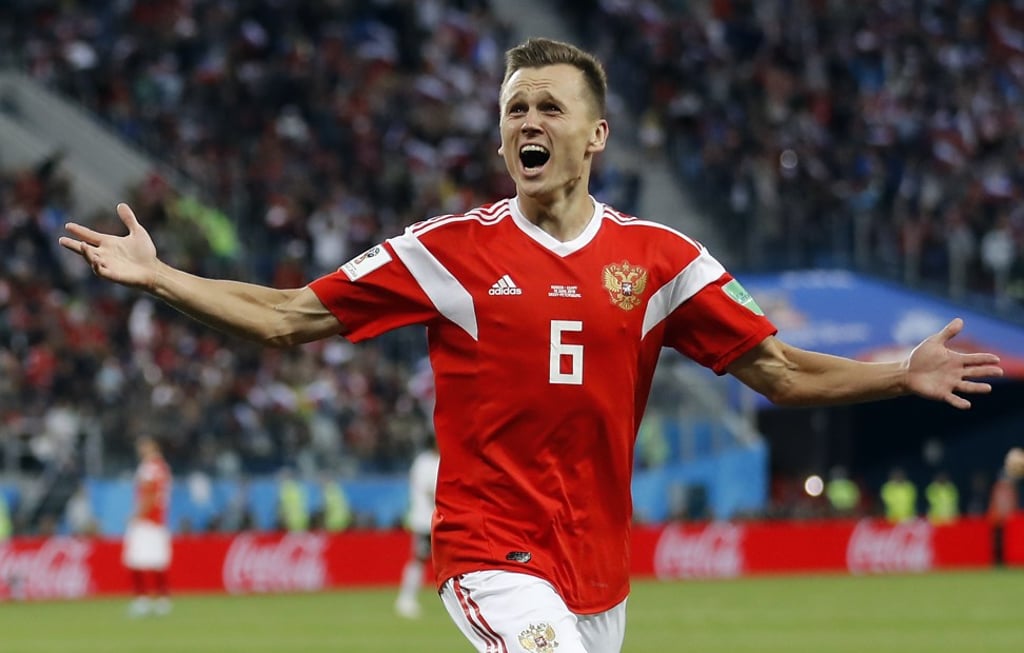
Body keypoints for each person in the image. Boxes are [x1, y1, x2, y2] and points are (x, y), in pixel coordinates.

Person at [59, 37, 1004, 653]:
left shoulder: (661, 259)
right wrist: (162, 277)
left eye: (547, 108)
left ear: (594, 135)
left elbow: (784, 372)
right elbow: (286, 315)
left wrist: (899, 374)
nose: (526, 124)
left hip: (599, 570)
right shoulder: (447, 252)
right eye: (515, 109)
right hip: (492, 554)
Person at [122, 436, 172, 617]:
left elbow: (149, 495)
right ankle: (162, 599)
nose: (140, 449)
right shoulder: (162, 467)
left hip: (148, 521)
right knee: (157, 561)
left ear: (153, 446)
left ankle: (142, 599)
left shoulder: (150, 468)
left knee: (136, 559)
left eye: (144, 445)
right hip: (158, 521)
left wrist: (137, 515)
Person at [395, 435, 440, 619]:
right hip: (425, 520)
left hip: (437, 519)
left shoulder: (438, 460)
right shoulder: (424, 463)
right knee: (419, 558)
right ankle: (405, 599)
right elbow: (431, 491)